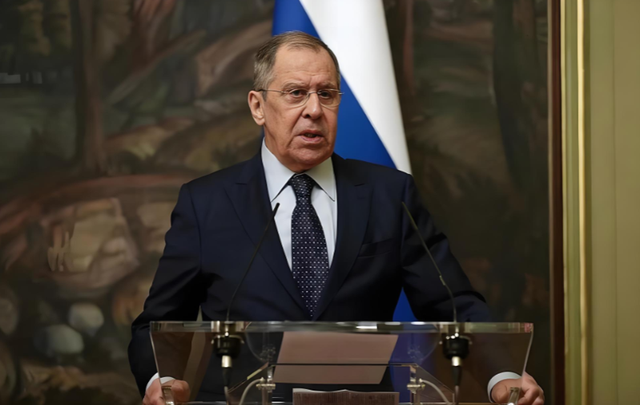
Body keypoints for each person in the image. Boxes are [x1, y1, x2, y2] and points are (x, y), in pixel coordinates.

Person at [129, 31, 544, 405]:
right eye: (296, 93)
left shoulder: (389, 194)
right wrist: (161, 381)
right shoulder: (206, 202)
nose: (314, 109)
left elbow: (453, 305)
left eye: (326, 94)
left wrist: (503, 376)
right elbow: (158, 324)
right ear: (258, 106)